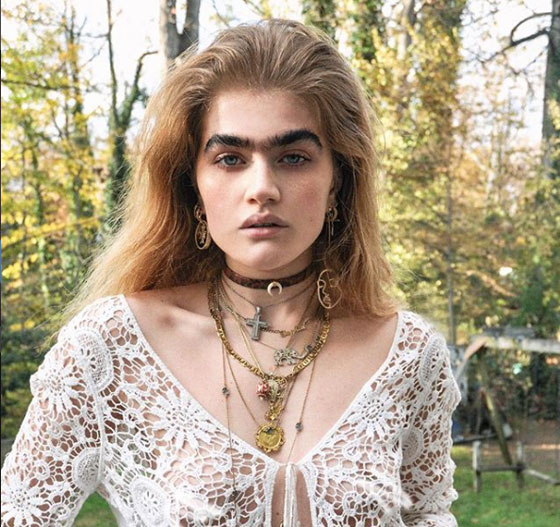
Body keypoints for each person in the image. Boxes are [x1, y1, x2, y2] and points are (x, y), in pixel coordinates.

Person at [1, 19, 461, 527]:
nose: (261, 187)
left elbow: (429, 514)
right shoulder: (112, 345)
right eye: (230, 158)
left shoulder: (408, 355)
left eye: (293, 157)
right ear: (193, 184)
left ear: (337, 181)